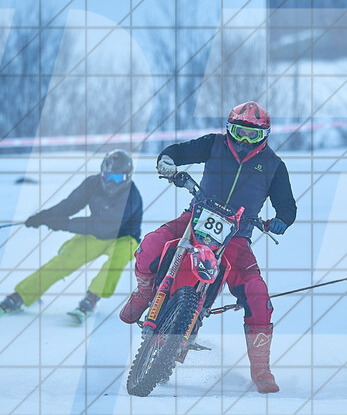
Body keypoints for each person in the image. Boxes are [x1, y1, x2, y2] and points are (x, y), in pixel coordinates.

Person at [119, 101, 296, 394]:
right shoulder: (214, 144)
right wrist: (167, 160)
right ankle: (145, 293)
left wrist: (281, 221)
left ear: (264, 136)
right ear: (229, 130)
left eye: (251, 136)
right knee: (151, 245)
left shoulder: (274, 166)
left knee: (257, 292)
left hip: (236, 235)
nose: (243, 141)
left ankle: (261, 368)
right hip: (195, 218)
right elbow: (179, 151)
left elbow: (287, 206)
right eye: (239, 133)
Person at [0, 149, 144, 323]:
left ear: (127, 176)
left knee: (116, 260)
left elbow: (103, 225)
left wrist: (62, 224)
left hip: (125, 238)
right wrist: (43, 217)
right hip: (95, 236)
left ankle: (92, 299)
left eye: (117, 178)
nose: (111, 182)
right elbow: (68, 206)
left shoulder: (131, 196)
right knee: (64, 261)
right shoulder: (93, 184)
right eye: (108, 177)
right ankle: (20, 296)